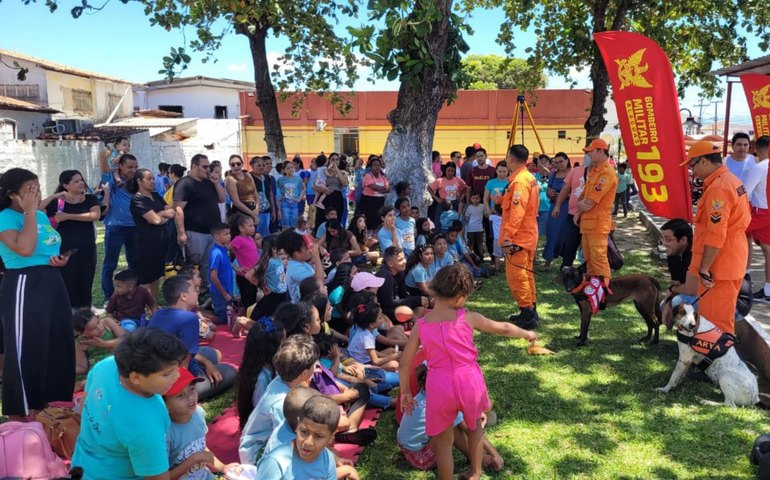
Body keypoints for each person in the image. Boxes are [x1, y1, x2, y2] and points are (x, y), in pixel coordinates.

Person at [399, 263, 536, 480]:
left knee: (443, 445)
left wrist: (406, 391)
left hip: (438, 384)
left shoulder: (421, 325)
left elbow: (404, 363)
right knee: (474, 427)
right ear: (460, 297)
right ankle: (476, 472)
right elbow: (503, 327)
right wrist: (526, 333)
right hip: (469, 380)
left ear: (434, 288)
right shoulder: (469, 318)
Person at [0, 168, 74, 419]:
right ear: (12, 195)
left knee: (57, 341)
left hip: (51, 281)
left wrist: (57, 260)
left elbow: (46, 247)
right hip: (23, 283)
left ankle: (50, 405)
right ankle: (20, 412)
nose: (36, 194)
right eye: (30, 190)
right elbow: (24, 248)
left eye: (38, 188)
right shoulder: (6, 218)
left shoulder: (40, 217)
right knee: (26, 347)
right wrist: (30, 211)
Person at [71, 328, 188, 478]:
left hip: (80, 465)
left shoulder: (106, 366)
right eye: (167, 374)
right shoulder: (146, 424)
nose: (177, 376)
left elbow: (84, 404)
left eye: (176, 368)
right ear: (136, 378)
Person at [681, 140, 751, 335]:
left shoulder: (719, 187)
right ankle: (714, 359)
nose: (692, 171)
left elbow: (716, 233)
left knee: (714, 319)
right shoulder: (730, 181)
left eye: (692, 165)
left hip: (720, 262)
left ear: (704, 161)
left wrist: (704, 268)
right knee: (718, 315)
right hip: (730, 255)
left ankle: (718, 362)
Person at [398, 363, 504, 473]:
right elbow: (469, 428)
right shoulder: (440, 403)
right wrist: (494, 453)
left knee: (452, 423)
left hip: (407, 448)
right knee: (450, 427)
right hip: (418, 456)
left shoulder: (424, 394)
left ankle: (475, 455)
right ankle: (478, 457)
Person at [149, 275, 237, 401]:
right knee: (230, 371)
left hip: (158, 368)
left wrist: (207, 363)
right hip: (172, 376)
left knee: (215, 354)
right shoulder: (189, 319)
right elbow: (184, 364)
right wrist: (183, 392)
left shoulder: (159, 314)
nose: (197, 293)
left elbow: (186, 350)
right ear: (183, 296)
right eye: (195, 290)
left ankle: (204, 365)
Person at [239, 334, 319, 465]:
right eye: (315, 364)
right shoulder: (282, 404)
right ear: (304, 373)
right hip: (256, 455)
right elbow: (286, 441)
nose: (316, 366)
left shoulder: (282, 378)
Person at [163, 367, 238, 479]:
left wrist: (223, 468)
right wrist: (194, 459)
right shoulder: (165, 433)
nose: (190, 397)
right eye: (180, 395)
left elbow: (200, 447)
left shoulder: (198, 413)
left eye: (192, 389)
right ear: (164, 404)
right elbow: (164, 477)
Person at [40, 169, 100, 308]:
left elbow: (94, 215)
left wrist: (67, 216)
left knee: (86, 279)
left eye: (81, 180)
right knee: (67, 280)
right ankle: (66, 311)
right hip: (64, 248)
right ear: (66, 185)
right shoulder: (58, 202)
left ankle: (85, 311)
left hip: (86, 247)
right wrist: (54, 196)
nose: (81, 183)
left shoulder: (90, 199)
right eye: (76, 181)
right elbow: (36, 209)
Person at [256, 395, 350, 479]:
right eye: (304, 431)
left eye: (318, 436)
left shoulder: (328, 459)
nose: (308, 442)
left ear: (331, 437)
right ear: (297, 426)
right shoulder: (275, 463)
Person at [499, 144, 540, 330]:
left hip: (519, 237)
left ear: (512, 159)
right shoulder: (528, 178)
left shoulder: (519, 182)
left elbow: (517, 212)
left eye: (507, 158)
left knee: (517, 276)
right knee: (527, 273)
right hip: (528, 234)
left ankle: (527, 313)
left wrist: (508, 237)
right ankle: (530, 308)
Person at [173, 154, 226, 292]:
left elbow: (221, 199)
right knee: (193, 265)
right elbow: (178, 209)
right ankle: (189, 291)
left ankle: (205, 290)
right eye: (204, 166)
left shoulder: (208, 182)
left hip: (212, 232)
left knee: (208, 264)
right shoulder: (185, 183)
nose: (208, 169)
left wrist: (215, 182)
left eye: (209, 166)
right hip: (195, 232)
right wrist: (181, 232)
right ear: (194, 166)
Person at [576, 139, 618, 289]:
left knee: (599, 259)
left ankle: (604, 291)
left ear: (601, 151)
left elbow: (589, 202)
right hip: (587, 224)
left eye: (590, 152)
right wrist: (579, 210)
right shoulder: (594, 171)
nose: (588, 155)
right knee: (589, 260)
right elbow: (583, 198)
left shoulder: (607, 173)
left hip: (598, 224)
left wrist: (579, 207)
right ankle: (594, 289)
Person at [128, 168, 175, 301]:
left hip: (161, 241)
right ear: (139, 181)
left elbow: (170, 212)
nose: (152, 181)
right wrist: (161, 216)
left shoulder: (156, 196)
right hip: (146, 244)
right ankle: (144, 306)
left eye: (153, 178)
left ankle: (152, 303)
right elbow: (155, 220)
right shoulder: (138, 199)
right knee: (147, 278)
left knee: (156, 275)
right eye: (149, 178)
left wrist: (160, 215)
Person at [100, 152, 140, 301]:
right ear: (120, 166)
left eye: (135, 167)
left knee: (134, 262)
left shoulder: (136, 180)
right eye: (129, 167)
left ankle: (134, 293)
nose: (133, 170)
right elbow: (104, 168)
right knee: (110, 263)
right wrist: (104, 155)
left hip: (134, 227)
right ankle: (108, 297)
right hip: (115, 227)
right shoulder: (112, 179)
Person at [236, 316, 286, 430]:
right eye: (283, 344)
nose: (286, 347)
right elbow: (262, 410)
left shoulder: (273, 365)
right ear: (271, 348)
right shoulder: (261, 378)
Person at [744, 135, 770, 303]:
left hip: (760, 213)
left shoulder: (760, 167)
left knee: (731, 235)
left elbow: (744, 192)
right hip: (763, 212)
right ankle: (768, 290)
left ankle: (742, 276)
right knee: (767, 250)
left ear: (755, 148)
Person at [376, 246, 428, 326]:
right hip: (385, 310)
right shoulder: (385, 276)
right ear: (390, 264)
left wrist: (418, 301)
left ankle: (412, 323)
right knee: (406, 312)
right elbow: (388, 303)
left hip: (397, 304)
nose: (404, 261)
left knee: (421, 308)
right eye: (400, 260)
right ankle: (412, 323)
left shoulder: (400, 272)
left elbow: (403, 294)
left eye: (404, 258)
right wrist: (415, 300)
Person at [550, 159, 586, 270]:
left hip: (590, 216)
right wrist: (557, 206)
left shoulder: (601, 173)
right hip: (572, 214)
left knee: (588, 245)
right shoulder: (575, 171)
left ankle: (589, 272)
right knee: (569, 243)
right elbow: (565, 189)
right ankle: (565, 268)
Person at [348, 300, 401, 371]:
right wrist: (391, 357)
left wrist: (389, 356)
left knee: (391, 350)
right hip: (363, 366)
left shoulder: (364, 330)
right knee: (394, 364)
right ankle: (376, 373)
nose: (382, 319)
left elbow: (372, 351)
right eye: (380, 318)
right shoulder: (367, 337)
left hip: (365, 359)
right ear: (372, 324)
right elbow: (375, 362)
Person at [73, 307, 125, 375]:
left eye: (98, 322)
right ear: (82, 333)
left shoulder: (107, 323)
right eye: (93, 329)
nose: (99, 328)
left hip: (118, 361)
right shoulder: (81, 343)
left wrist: (103, 344)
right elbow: (82, 368)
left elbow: (126, 339)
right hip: (98, 370)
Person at [541, 153, 571, 270]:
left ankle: (566, 263)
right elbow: (548, 188)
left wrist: (564, 195)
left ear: (567, 160)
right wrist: (550, 193)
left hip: (567, 208)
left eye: (561, 161)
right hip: (554, 207)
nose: (559, 164)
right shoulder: (553, 175)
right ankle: (548, 262)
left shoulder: (573, 174)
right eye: (556, 162)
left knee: (566, 235)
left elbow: (577, 192)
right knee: (551, 234)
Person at [280, 230, 325, 303]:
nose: (311, 250)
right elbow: (319, 281)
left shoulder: (299, 262)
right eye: (307, 248)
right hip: (302, 306)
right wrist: (317, 257)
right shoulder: (296, 269)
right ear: (297, 253)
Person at [230, 214, 260, 311]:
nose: (253, 228)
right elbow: (225, 251)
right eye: (250, 226)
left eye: (253, 226)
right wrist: (235, 267)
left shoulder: (250, 238)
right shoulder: (238, 240)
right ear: (241, 228)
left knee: (253, 298)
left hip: (253, 274)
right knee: (248, 301)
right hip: (245, 276)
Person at [208, 222, 235, 324]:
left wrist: (236, 268)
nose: (229, 236)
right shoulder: (216, 253)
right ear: (216, 236)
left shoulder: (223, 248)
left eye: (229, 233)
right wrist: (224, 293)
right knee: (221, 319)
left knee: (228, 315)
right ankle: (203, 315)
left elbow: (227, 263)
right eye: (225, 234)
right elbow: (213, 276)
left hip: (227, 289)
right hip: (220, 292)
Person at [429, 161, 466, 228]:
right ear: (445, 170)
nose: (450, 173)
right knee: (440, 223)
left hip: (455, 204)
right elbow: (429, 188)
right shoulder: (440, 180)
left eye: (452, 171)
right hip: (444, 204)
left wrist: (461, 197)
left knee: (455, 223)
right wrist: (436, 198)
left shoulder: (458, 180)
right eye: (448, 170)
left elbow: (465, 188)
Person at [358, 156, 390, 230]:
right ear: (371, 166)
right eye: (375, 165)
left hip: (380, 201)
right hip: (369, 201)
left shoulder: (383, 177)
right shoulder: (368, 176)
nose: (377, 167)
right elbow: (374, 187)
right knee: (369, 221)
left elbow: (388, 189)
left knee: (379, 220)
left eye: (378, 165)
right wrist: (381, 189)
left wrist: (378, 189)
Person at [225, 154, 259, 221]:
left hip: (254, 208)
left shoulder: (248, 174)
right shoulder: (230, 179)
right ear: (230, 166)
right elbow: (236, 202)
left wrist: (257, 210)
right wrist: (252, 214)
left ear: (242, 164)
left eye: (238, 163)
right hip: (241, 212)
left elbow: (255, 194)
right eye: (233, 164)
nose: (236, 166)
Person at [249, 156, 275, 237]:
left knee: (264, 233)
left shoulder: (267, 177)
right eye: (259, 165)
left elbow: (270, 194)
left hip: (266, 210)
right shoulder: (249, 177)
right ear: (252, 166)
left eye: (263, 165)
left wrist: (273, 210)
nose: (261, 167)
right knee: (253, 233)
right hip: (253, 211)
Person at [277, 160, 305, 231]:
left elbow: (303, 189)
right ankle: (285, 240)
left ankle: (292, 239)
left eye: (292, 167)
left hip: (294, 205)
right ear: (283, 170)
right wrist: (280, 197)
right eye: (288, 168)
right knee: (285, 224)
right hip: (284, 205)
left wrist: (300, 198)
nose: (290, 170)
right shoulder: (280, 180)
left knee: (294, 224)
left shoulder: (298, 179)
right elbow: (276, 191)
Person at [464, 192, 485, 260]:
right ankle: (471, 256)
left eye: (477, 198)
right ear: (471, 199)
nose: (475, 200)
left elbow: (486, 214)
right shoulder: (469, 207)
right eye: (473, 198)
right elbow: (467, 217)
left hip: (479, 228)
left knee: (480, 243)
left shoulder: (482, 206)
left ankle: (481, 256)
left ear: (480, 199)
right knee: (471, 243)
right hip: (471, 228)